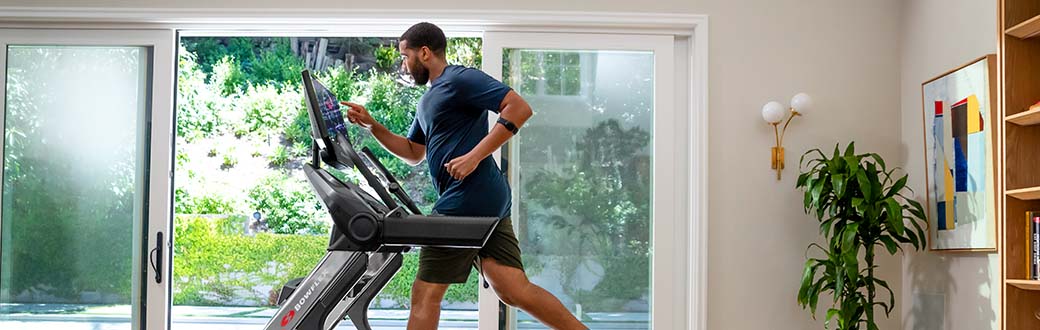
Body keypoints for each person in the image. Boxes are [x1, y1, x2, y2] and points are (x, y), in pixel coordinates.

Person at [341, 22, 588, 330]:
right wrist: (372, 125)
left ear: (425, 52)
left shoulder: (460, 79)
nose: (405, 65)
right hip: (486, 197)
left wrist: (475, 156)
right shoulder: (429, 99)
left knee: (425, 295)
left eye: (406, 56)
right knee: (511, 288)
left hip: (467, 196)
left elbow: (518, 108)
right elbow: (413, 152)